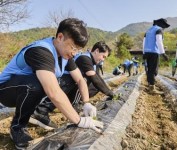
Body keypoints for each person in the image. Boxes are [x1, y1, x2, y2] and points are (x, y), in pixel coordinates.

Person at [0, 18, 103, 149]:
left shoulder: (66, 55)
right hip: (6, 90)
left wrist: (87, 103)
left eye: (78, 49)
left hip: (25, 90)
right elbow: (53, 92)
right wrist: (79, 120)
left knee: (69, 78)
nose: (74, 53)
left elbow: (80, 80)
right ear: (60, 37)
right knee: (37, 84)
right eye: (73, 47)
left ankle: (39, 113)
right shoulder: (41, 51)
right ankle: (17, 127)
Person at [30, 41, 115, 130]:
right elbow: (94, 79)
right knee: (82, 79)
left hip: (65, 87)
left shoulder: (94, 64)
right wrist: (110, 93)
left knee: (94, 85)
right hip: (57, 84)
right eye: (103, 56)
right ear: (97, 51)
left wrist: (88, 102)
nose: (103, 59)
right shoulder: (84, 58)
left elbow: (98, 79)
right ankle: (42, 110)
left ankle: (76, 105)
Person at [143, 18, 170, 94]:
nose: (164, 28)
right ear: (161, 25)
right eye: (164, 26)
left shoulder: (148, 30)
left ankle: (150, 84)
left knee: (149, 69)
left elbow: (144, 42)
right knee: (153, 70)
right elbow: (159, 41)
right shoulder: (159, 30)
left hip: (147, 52)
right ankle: (152, 88)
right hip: (154, 52)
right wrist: (163, 53)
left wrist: (144, 52)